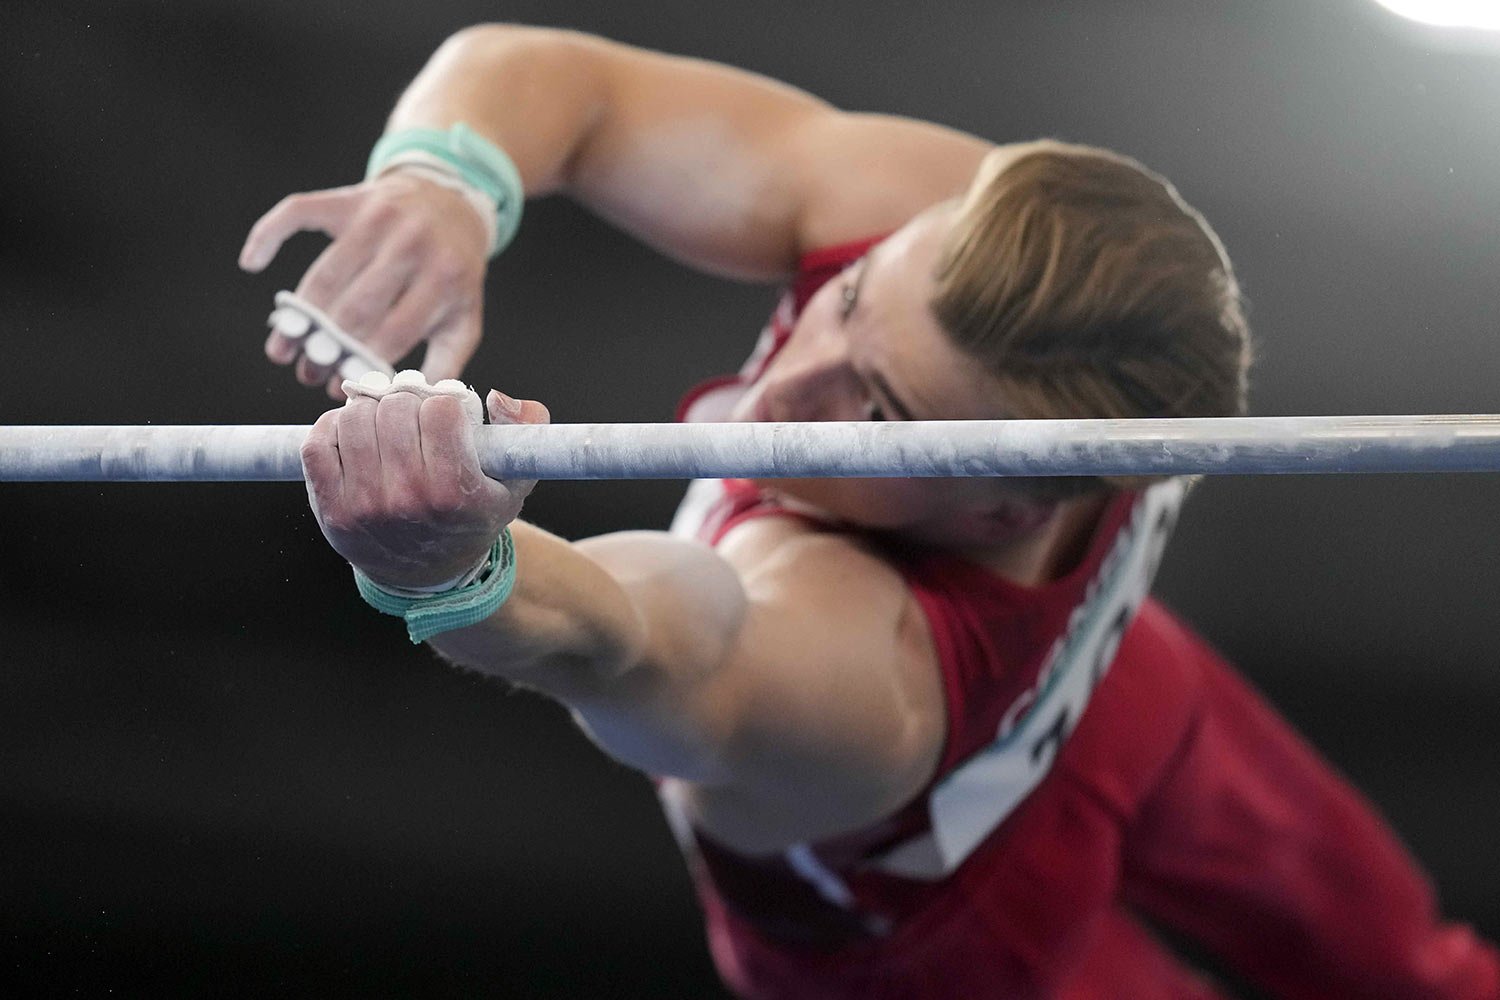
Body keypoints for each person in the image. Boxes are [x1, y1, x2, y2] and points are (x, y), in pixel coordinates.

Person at [240, 25, 1500, 999]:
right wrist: (450, 179)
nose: (783, 390)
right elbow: (648, 635)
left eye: (882, 416)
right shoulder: (866, 658)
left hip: (1114, 695)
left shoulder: (1101, 405)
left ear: (1010, 499)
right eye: (847, 304)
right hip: (946, 953)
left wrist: (456, 563)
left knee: (1430, 969)